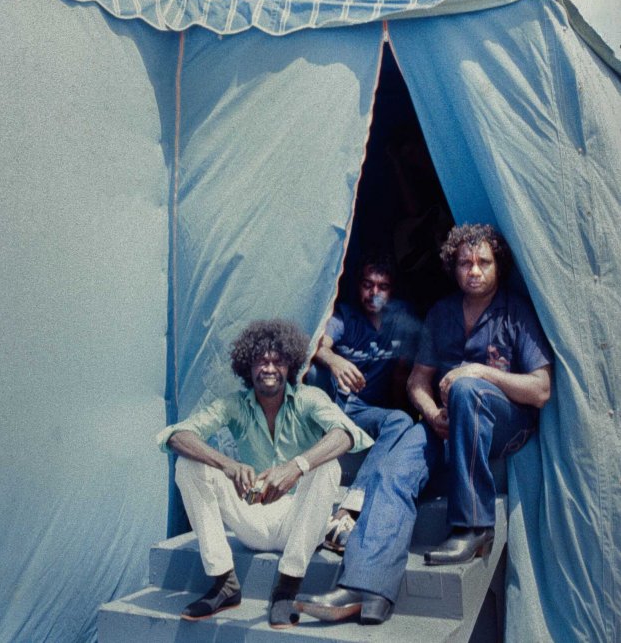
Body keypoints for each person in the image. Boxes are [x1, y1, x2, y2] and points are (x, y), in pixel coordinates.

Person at [296, 224, 553, 625]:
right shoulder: (443, 313)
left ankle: (472, 525)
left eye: (483, 262)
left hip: (503, 426)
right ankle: (366, 589)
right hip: (449, 424)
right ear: (453, 267)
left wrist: (478, 372)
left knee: (467, 388)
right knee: (397, 465)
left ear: (498, 266)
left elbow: (540, 390)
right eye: (465, 262)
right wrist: (432, 414)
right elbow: (418, 381)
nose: (474, 270)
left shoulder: (514, 312)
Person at [157, 318, 372, 628]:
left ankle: (287, 588)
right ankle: (223, 583)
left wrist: (296, 467)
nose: (269, 368)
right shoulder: (233, 405)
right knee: (188, 463)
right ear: (248, 366)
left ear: (290, 366)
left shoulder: (309, 399)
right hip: (252, 519)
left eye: (277, 361)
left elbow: (347, 434)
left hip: (300, 524)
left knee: (327, 465)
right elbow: (176, 436)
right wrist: (227, 464)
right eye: (260, 361)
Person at [309, 252, 423, 552]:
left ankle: (351, 505)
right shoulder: (345, 316)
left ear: (392, 290)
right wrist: (334, 361)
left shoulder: (400, 319)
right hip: (339, 408)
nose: (374, 293)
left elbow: (404, 375)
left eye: (382, 286)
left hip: (369, 412)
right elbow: (318, 347)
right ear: (358, 286)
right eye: (367, 284)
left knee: (401, 420)